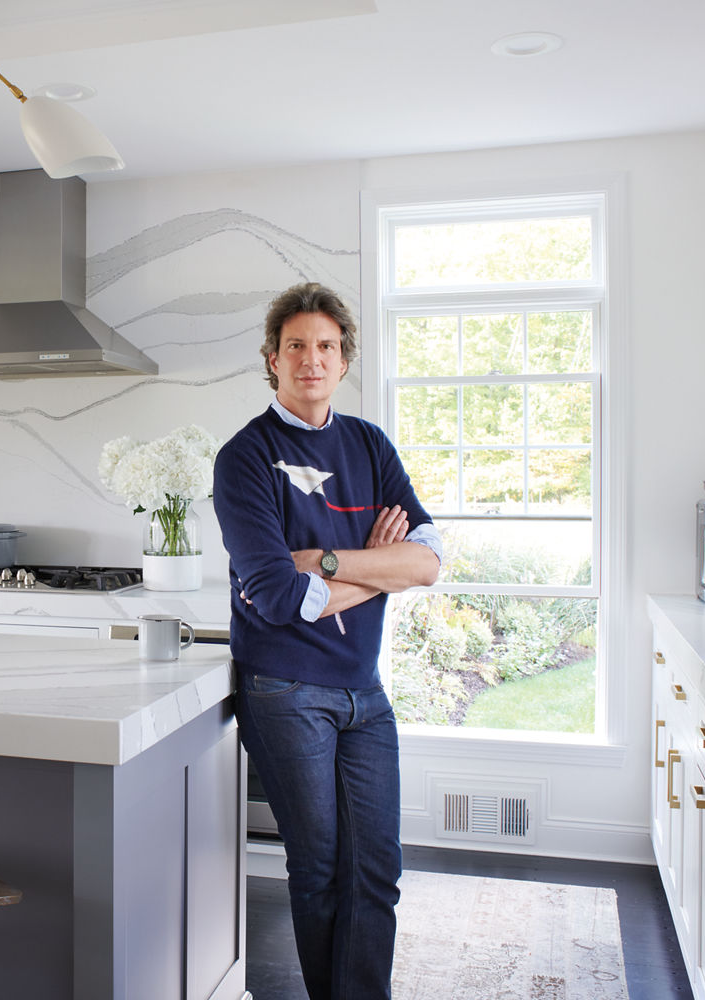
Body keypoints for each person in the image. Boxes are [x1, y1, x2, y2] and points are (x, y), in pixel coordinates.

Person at [212, 282, 442, 1000]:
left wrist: (334, 563)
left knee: (376, 869)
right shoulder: (245, 458)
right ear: (272, 360)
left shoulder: (369, 444)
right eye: (296, 347)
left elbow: (430, 559)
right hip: (283, 689)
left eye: (327, 347)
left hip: (362, 690)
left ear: (344, 360)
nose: (312, 360)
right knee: (318, 870)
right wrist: (384, 573)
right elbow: (279, 596)